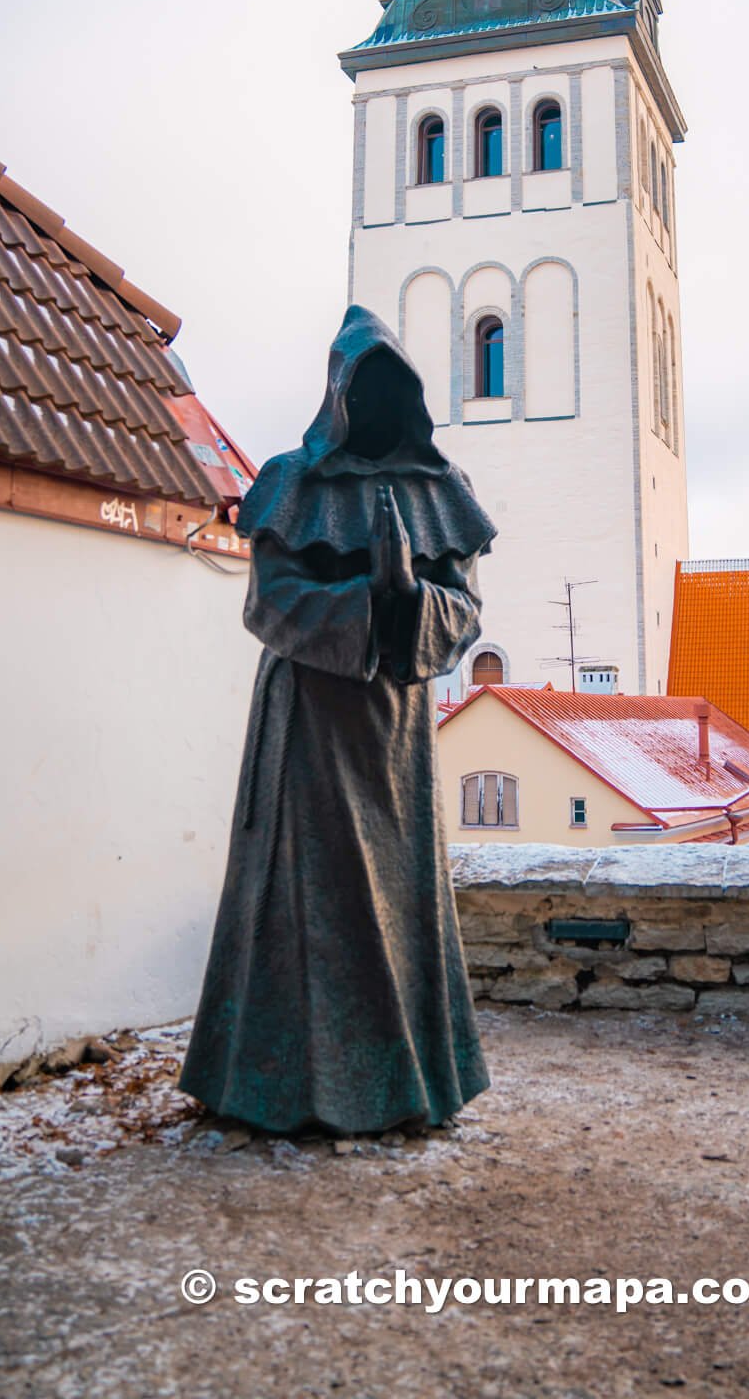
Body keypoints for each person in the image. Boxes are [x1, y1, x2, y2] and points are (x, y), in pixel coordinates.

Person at [179, 306, 495, 1134]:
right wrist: (363, 601)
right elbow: (270, 606)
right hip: (308, 732)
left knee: (399, 905)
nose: (378, 401)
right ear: (338, 392)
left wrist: (412, 602)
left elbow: (464, 614)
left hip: (397, 736)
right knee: (296, 906)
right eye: (366, 385)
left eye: (394, 386)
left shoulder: (441, 491)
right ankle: (273, 1084)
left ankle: (404, 1081)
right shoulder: (292, 483)